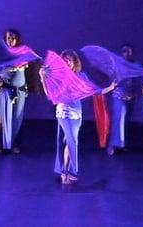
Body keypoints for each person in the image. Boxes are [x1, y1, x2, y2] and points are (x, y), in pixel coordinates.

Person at [39, 49, 116, 184]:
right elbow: (50, 94)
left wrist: (109, 88)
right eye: (65, 60)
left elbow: (94, 91)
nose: (67, 62)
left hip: (77, 114)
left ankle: (66, 171)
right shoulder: (59, 77)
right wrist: (43, 78)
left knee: (70, 142)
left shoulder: (81, 76)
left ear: (75, 62)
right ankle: (68, 173)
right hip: (64, 112)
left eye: (70, 59)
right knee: (72, 141)